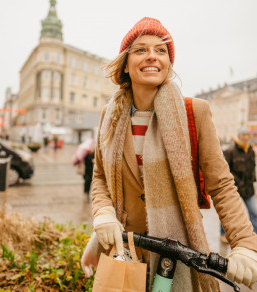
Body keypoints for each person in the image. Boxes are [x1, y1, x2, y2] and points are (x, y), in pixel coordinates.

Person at [81, 17, 257, 291]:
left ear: (168, 64)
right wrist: (103, 213)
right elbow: (100, 176)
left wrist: (245, 245)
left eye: (161, 50)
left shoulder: (194, 113)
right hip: (124, 251)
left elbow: (221, 185)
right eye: (140, 49)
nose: (152, 56)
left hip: (176, 256)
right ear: (126, 64)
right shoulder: (110, 115)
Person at [220, 127, 257, 243]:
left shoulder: (250, 150)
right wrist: (238, 182)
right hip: (234, 188)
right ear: (239, 136)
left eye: (248, 135)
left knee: (254, 212)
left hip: (248, 188)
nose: (246, 137)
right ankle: (223, 234)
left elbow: (252, 167)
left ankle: (254, 234)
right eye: (243, 135)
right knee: (228, 212)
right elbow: (226, 169)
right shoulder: (230, 151)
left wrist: (252, 179)